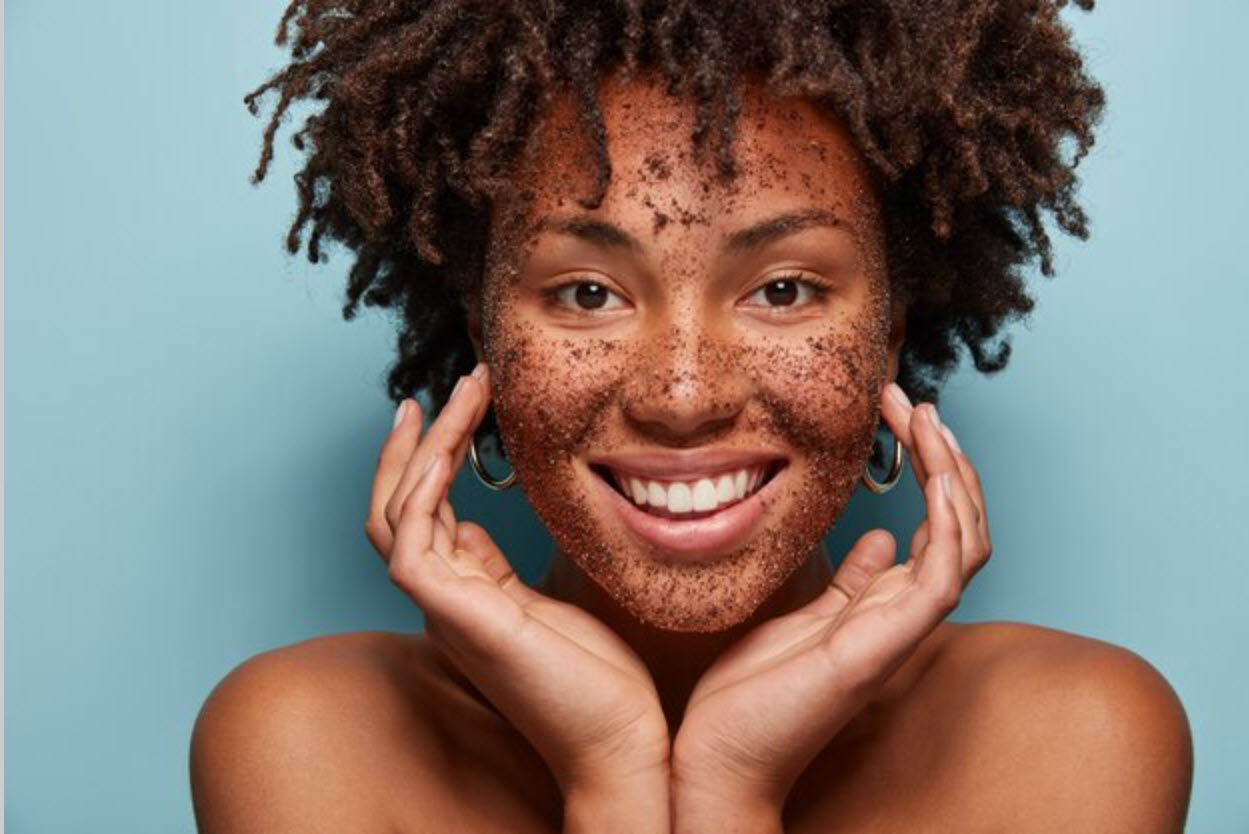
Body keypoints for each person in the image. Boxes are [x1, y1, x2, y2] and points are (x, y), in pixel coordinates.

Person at [190, 1, 1193, 831]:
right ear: (484, 336)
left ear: (891, 332)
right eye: (587, 293)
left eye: (785, 289)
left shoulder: (1071, 739)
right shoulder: (308, 746)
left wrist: (729, 790)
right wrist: (613, 777)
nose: (682, 395)